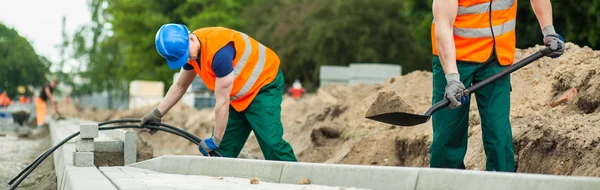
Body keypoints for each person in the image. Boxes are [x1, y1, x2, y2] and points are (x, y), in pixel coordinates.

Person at [430, 0, 564, 172]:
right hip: (454, 60)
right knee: (448, 137)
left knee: (499, 135)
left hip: (496, 59)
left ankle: (502, 183)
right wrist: (452, 78)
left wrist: (549, 31)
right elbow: (443, 26)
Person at [140, 24, 297, 161]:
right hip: (238, 95)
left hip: (264, 85)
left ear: (191, 39)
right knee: (221, 152)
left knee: (271, 143)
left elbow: (222, 101)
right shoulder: (191, 52)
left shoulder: (219, 52)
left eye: (186, 56)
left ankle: (298, 181)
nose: (187, 60)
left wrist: (216, 139)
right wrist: (157, 113)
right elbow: (180, 85)